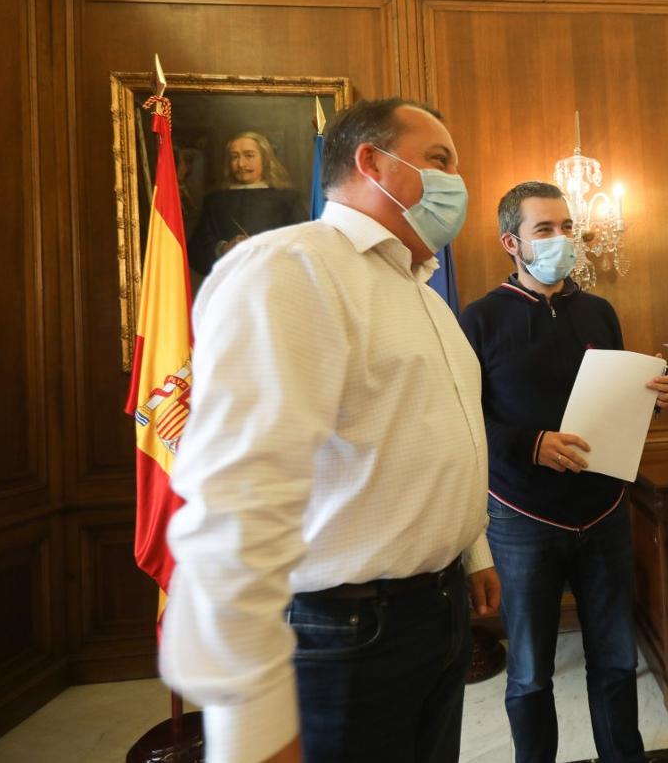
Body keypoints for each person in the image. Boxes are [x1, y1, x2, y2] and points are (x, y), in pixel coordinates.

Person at [160, 98, 501, 763]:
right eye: (439, 160)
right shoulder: (293, 268)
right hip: (346, 629)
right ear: (372, 162)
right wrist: (252, 726)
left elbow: (433, 436)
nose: (458, 182)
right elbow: (238, 497)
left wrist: (473, 551)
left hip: (437, 612)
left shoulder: (423, 294)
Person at [458, 181, 668, 763]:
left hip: (604, 511)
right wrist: (531, 444)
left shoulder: (599, 312)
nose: (562, 240)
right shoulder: (478, 320)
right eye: (544, 230)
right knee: (530, 672)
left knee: (614, 662)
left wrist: (648, 398)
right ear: (512, 242)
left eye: (566, 227)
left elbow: (615, 401)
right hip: (522, 516)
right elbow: (463, 421)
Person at [187, 131, 306, 275]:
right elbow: (196, 251)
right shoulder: (215, 201)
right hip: (229, 284)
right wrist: (224, 249)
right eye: (234, 157)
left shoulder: (288, 199)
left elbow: (303, 246)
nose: (241, 164)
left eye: (249, 155)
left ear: (265, 159)